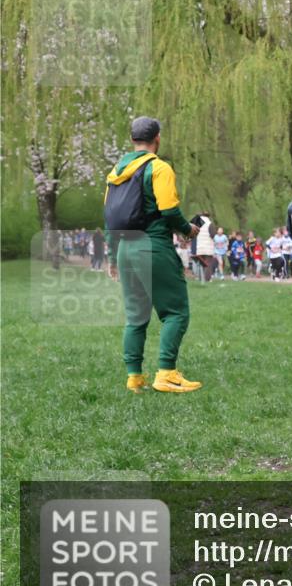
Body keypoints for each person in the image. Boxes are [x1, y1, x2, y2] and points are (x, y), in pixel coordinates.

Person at [104, 116, 201, 393]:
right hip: (153, 245)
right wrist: (187, 229)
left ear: (132, 139)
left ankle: (134, 377)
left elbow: (109, 220)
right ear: (157, 138)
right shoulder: (159, 168)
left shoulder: (114, 174)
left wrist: (112, 257)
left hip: (125, 249)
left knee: (136, 317)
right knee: (176, 312)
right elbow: (169, 210)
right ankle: (166, 373)